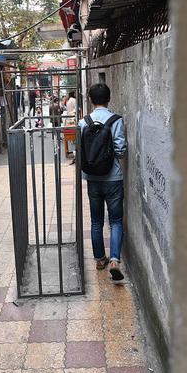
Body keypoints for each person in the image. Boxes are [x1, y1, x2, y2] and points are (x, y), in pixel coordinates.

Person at [79, 83, 127, 282]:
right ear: (109, 98)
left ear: (90, 99)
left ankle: (100, 259)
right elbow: (121, 150)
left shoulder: (84, 122)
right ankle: (115, 260)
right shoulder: (116, 120)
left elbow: (80, 152)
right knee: (115, 221)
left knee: (96, 221)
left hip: (92, 179)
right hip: (113, 178)